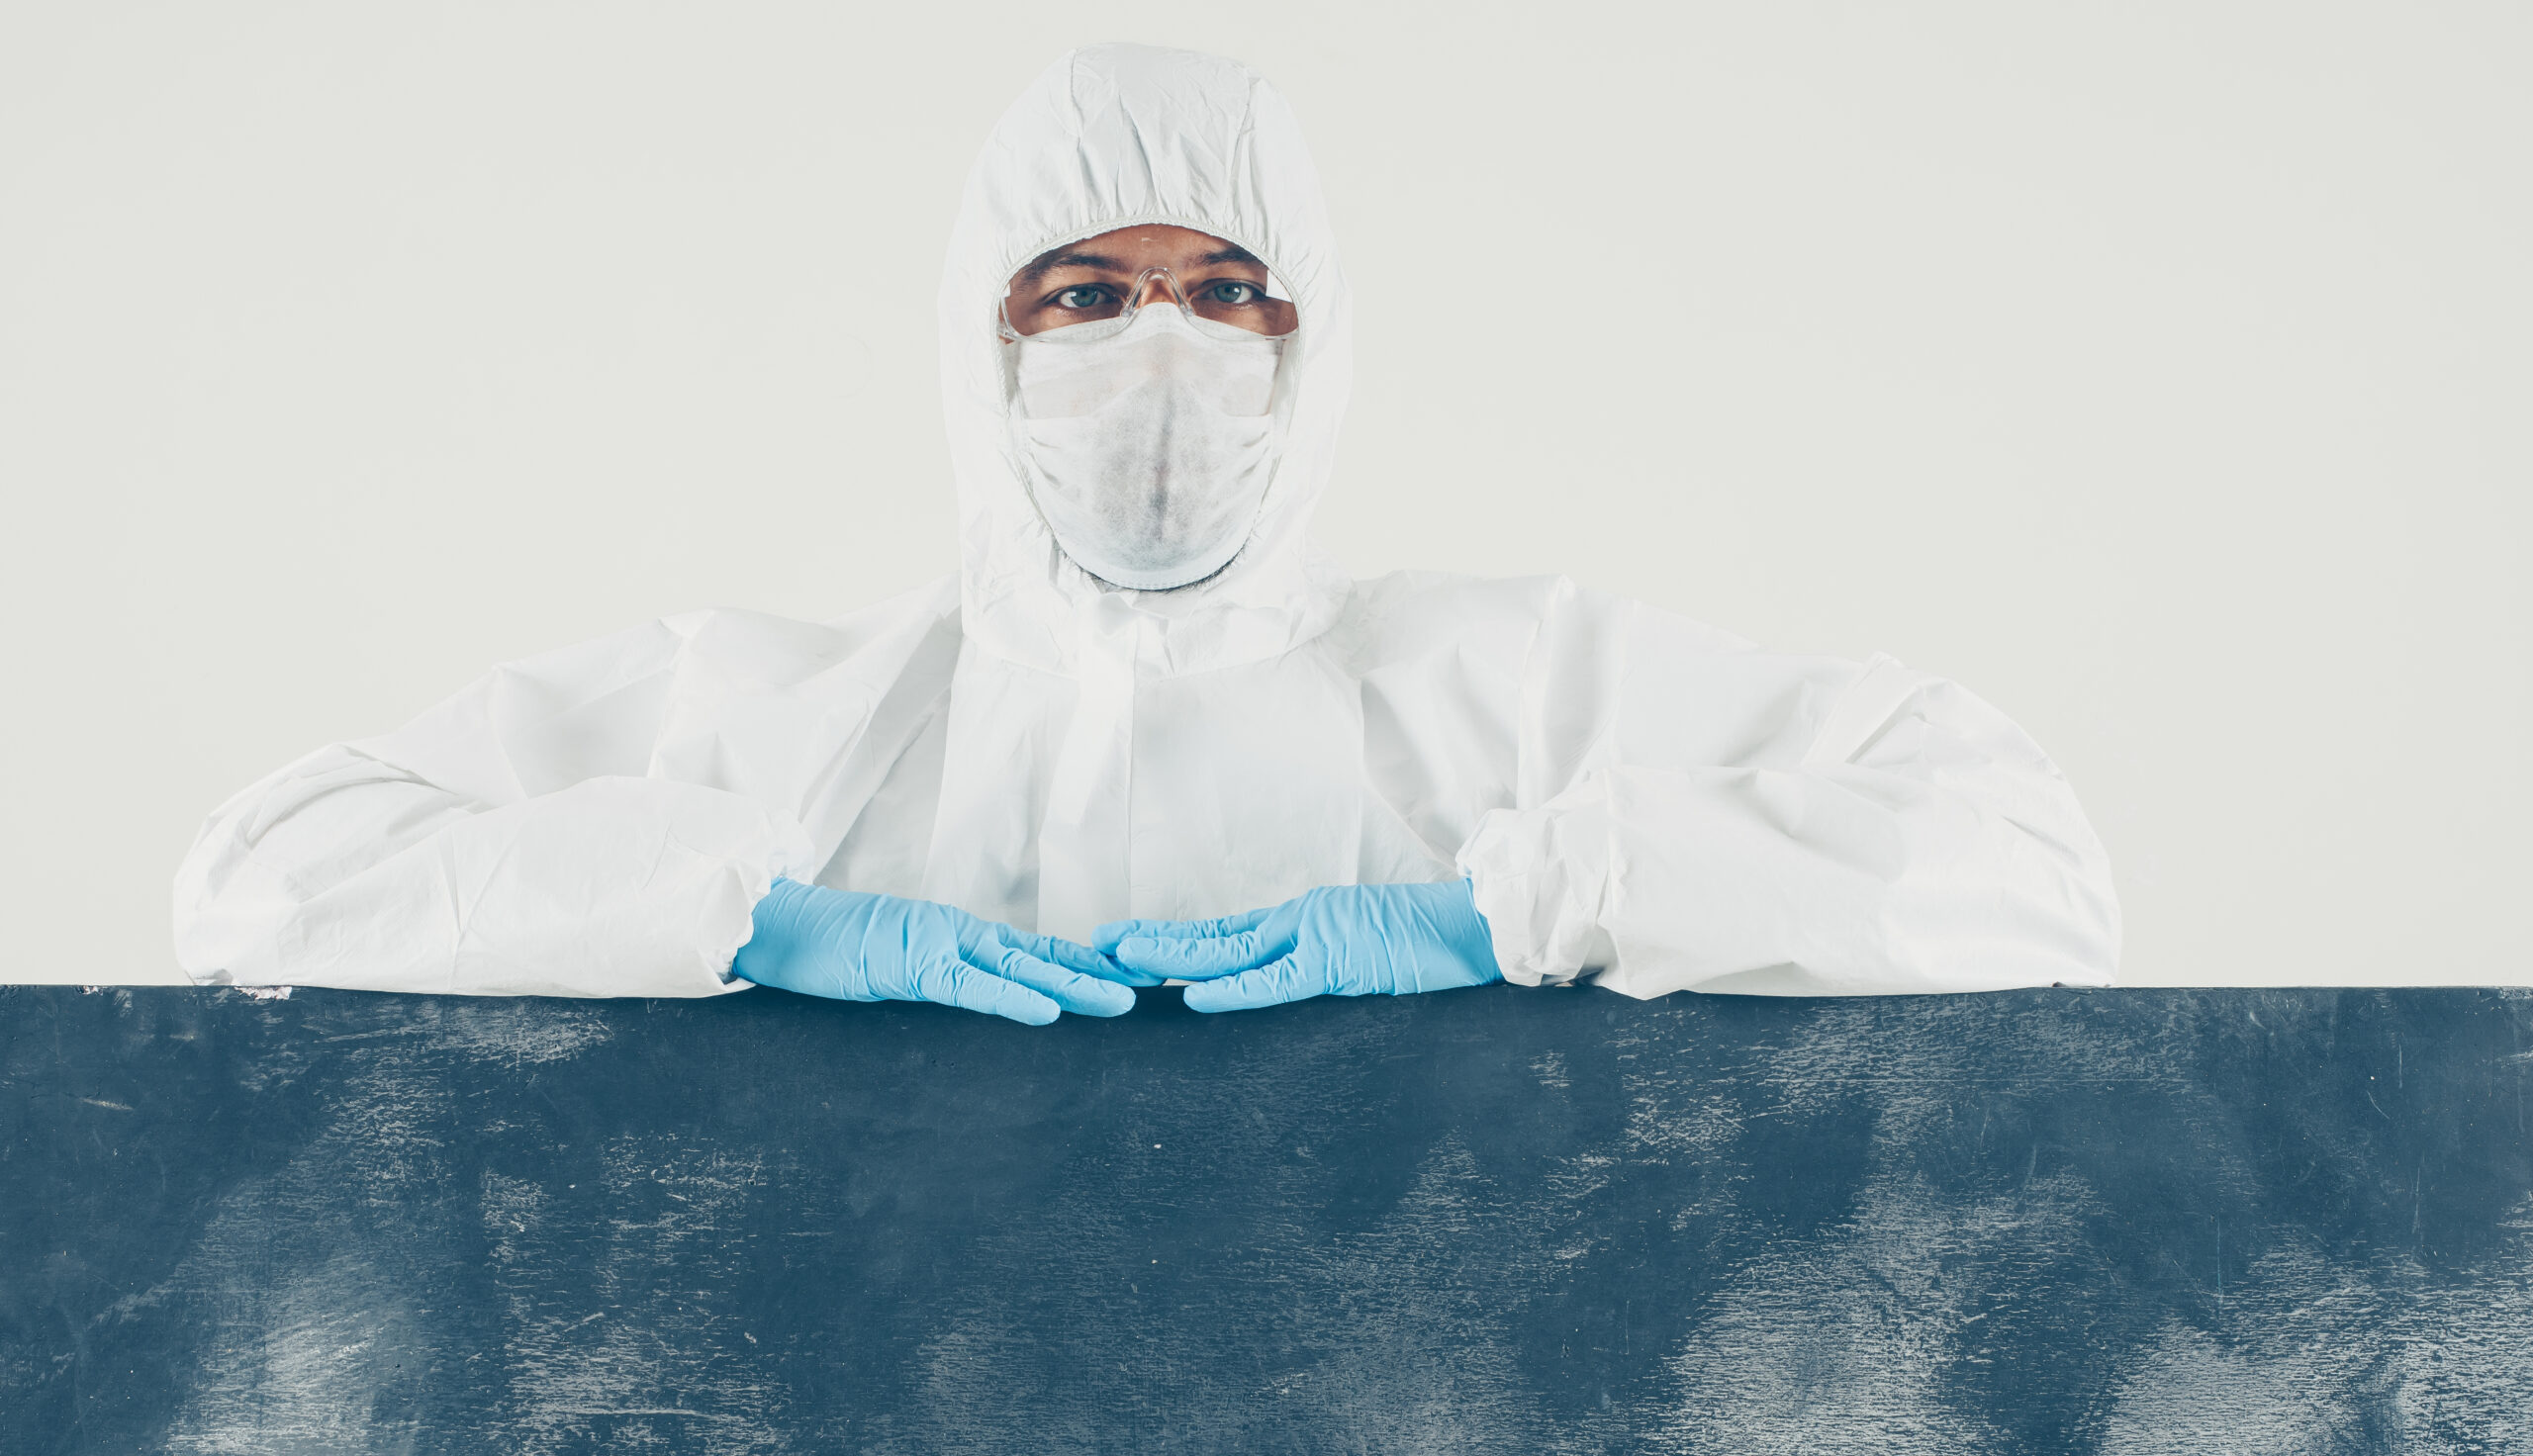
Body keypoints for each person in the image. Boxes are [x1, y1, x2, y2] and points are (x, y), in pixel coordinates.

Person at [173, 44, 2119, 1021]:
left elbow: (2020, 864)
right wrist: (732, 916)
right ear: (979, 341)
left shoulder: (1511, 689)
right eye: (1084, 296)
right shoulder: (785, 715)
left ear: (1315, 336)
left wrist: (1511, 906)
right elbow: (266, 884)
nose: (1163, 349)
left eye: (1227, 289)